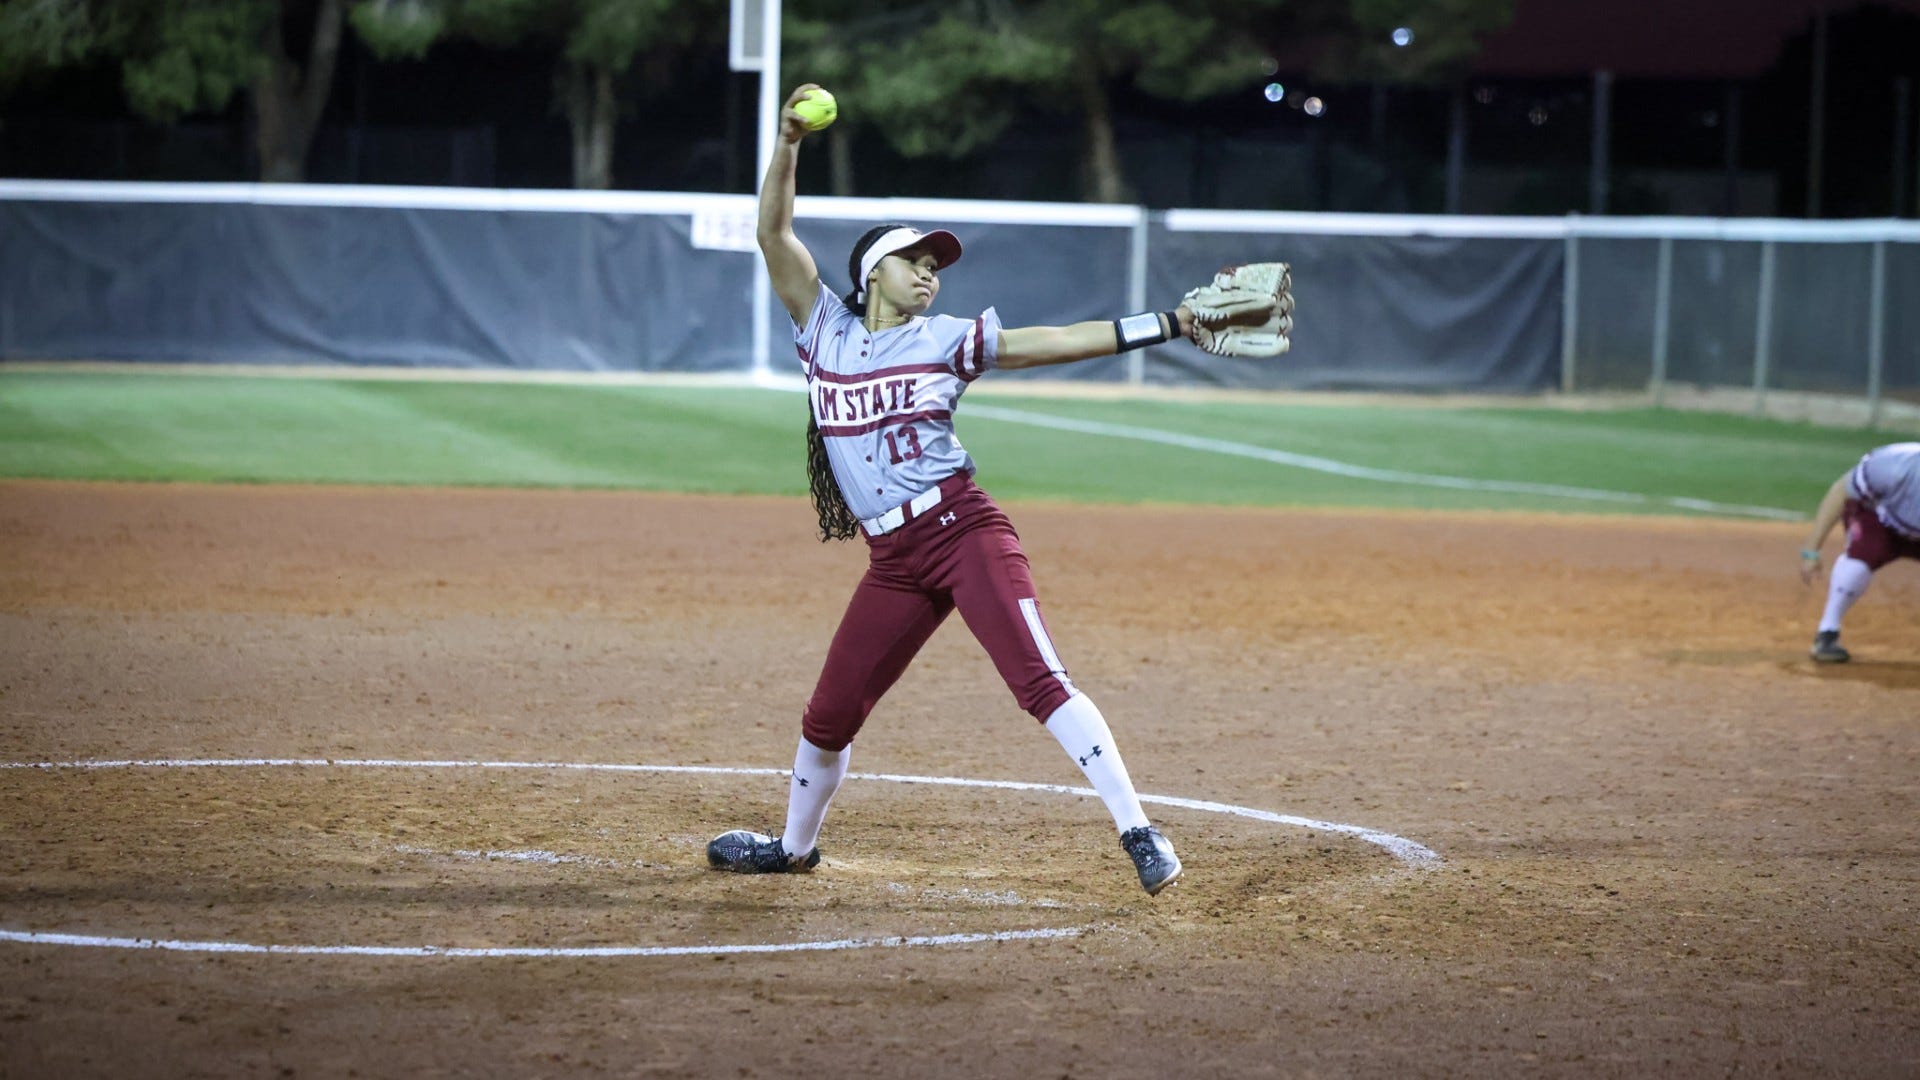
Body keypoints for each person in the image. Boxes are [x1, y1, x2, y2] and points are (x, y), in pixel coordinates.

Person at [706, 84, 1196, 895]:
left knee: (1038, 681)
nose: (930, 276)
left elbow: (1050, 343)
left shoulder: (945, 341)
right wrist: (789, 142)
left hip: (962, 532)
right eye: (915, 262)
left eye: (936, 267)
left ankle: (1140, 832)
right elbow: (773, 232)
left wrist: (1167, 323)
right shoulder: (822, 328)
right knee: (829, 716)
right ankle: (793, 849)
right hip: (892, 559)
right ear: (872, 273)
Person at [1798, 441, 1920, 662]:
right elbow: (1840, 491)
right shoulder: (1893, 465)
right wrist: (1811, 551)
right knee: (1862, 556)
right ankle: (1828, 633)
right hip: (1881, 520)